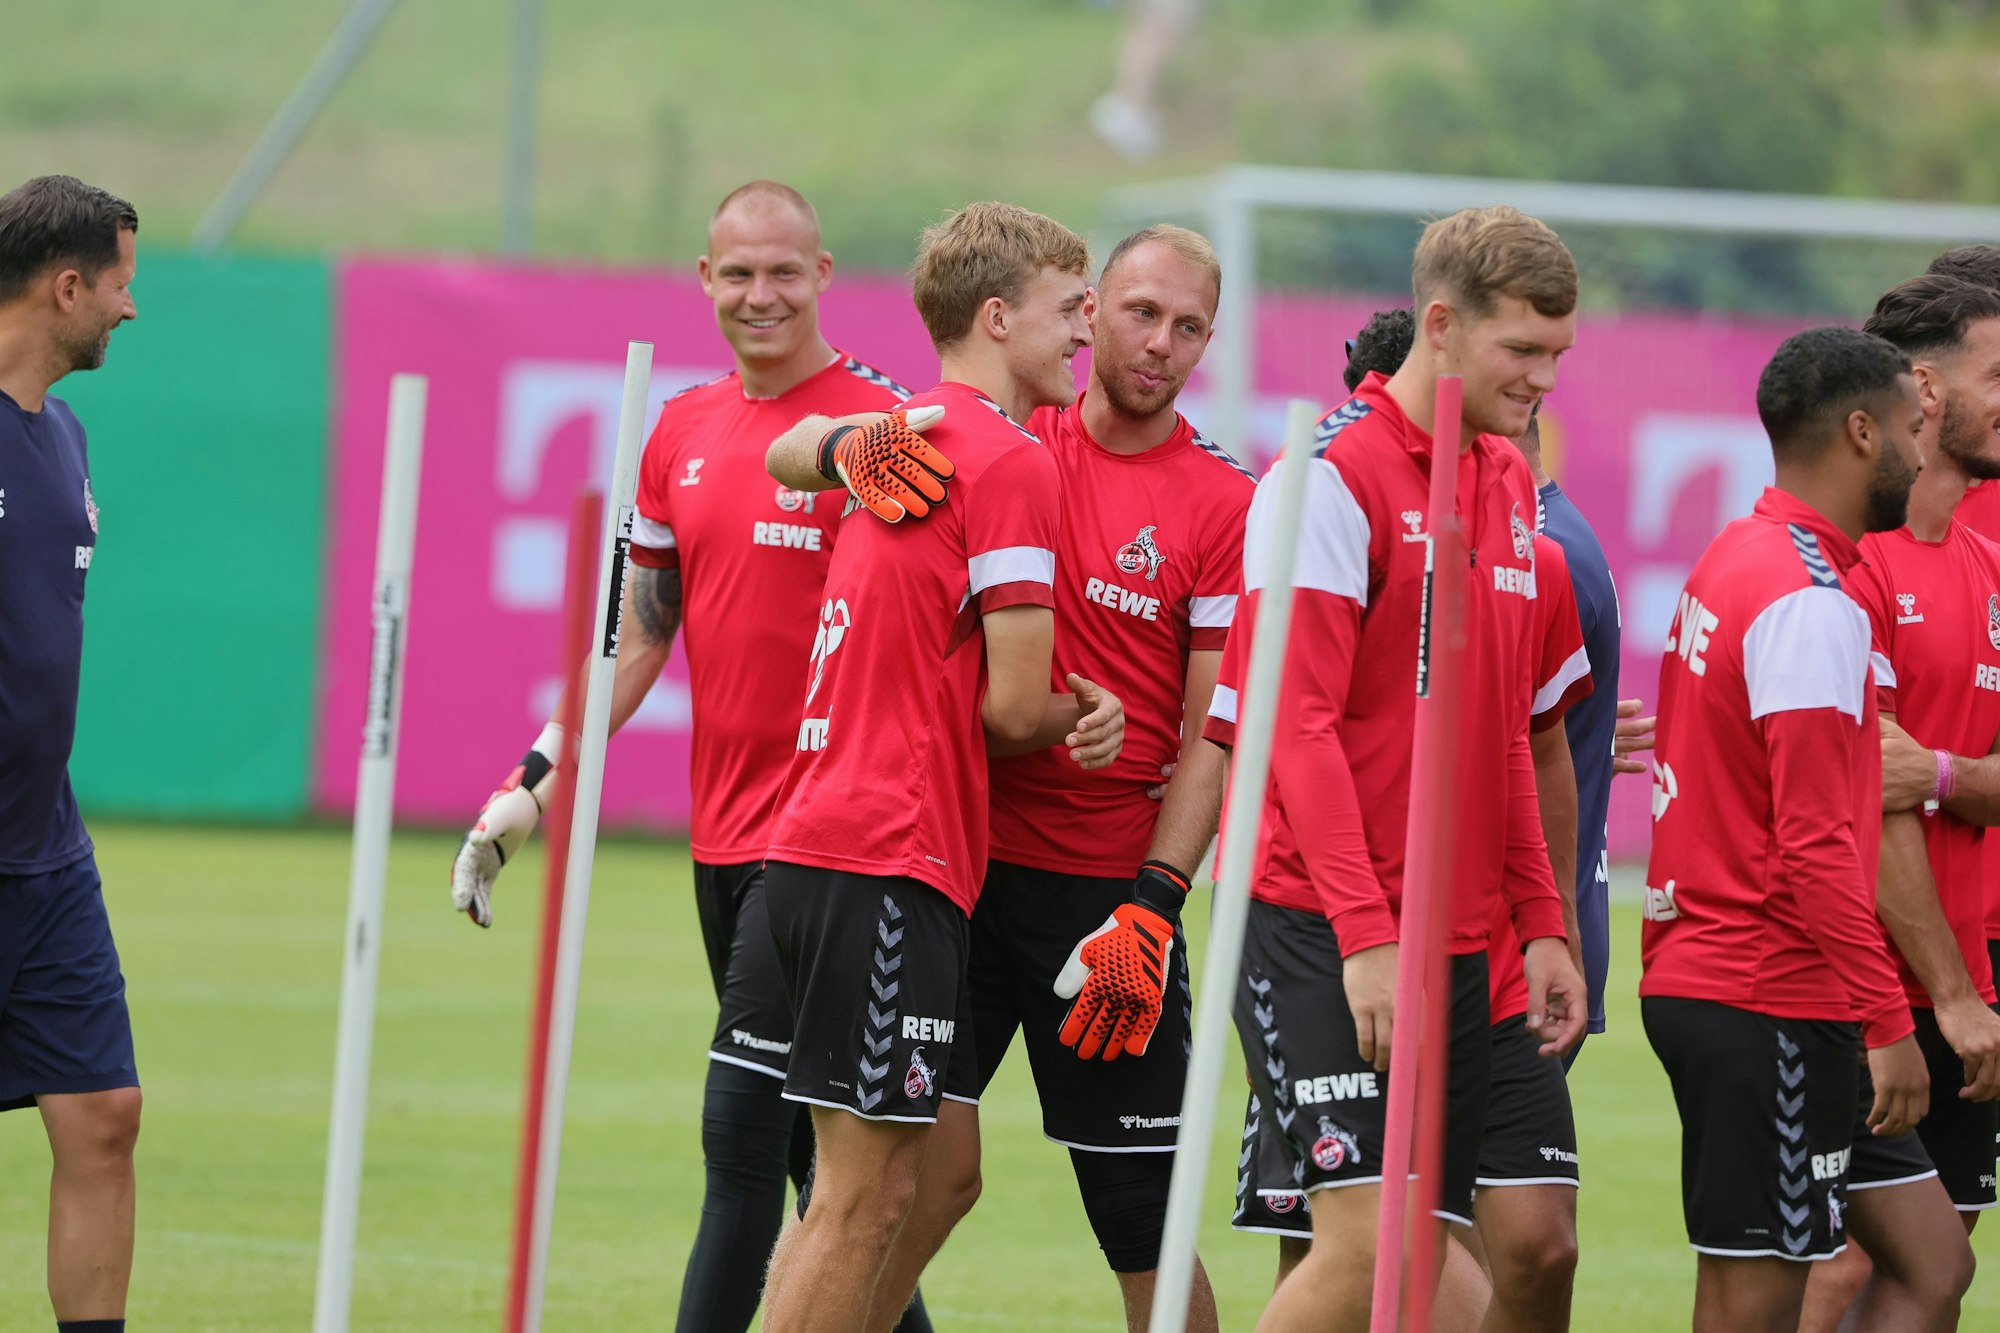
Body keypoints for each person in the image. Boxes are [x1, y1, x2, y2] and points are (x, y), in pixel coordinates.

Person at [445, 181, 937, 1333]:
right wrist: (533, 782)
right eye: (736, 274)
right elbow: (640, 633)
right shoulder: (678, 430)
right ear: (703, 281)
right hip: (722, 840)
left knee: (738, 1147)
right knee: (818, 1176)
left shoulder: (885, 430)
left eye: (781, 271)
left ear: (823, 274)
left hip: (830, 843)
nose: (758, 295)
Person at [811, 223, 1247, 1332]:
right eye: (1140, 312)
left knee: (1138, 1214)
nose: (1160, 343)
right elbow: (808, 437)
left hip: (1101, 903)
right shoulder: (1008, 429)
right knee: (911, 1188)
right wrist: (834, 449)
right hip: (954, 875)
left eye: (1188, 326)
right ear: (1089, 307)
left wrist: (1152, 906)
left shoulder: (1219, 501)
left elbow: (1213, 730)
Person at [1208, 206, 1589, 1333]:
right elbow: (1296, 728)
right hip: (1315, 923)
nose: (1542, 379)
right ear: (1439, 325)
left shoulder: (1509, 489)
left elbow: (1504, 740)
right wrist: (1365, 936)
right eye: (1522, 350)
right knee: (1367, 1243)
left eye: (1557, 355)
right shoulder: (1322, 479)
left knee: (1434, 1265)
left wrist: (1543, 920)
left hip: (1468, 937)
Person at [757, 201, 1126, 1333]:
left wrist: (827, 445)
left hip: (813, 845)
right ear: (997, 314)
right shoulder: (1008, 459)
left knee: (877, 1193)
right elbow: (1012, 706)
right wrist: (1090, 707)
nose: (1089, 332)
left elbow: (785, 444)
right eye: (1073, 309)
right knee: (862, 1206)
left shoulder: (899, 430)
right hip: (887, 854)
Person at [1641, 325, 1933, 1333]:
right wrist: (1886, 1022)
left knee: (1917, 1259)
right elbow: (1814, 844)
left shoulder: (1737, 553)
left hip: (1719, 971)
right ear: (1859, 432)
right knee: (1752, 1298)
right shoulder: (1811, 602)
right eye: (1909, 427)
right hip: (1760, 985)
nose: (1921, 451)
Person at [1798, 276, 2000, 1330]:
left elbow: (1928, 776)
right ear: (1923, 387)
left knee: (1938, 1266)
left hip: (1958, 977)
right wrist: (1946, 990)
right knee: (1834, 1269)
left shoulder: (1982, 563)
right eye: (1996, 374)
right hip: (1858, 981)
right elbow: (1862, 796)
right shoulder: (1848, 567)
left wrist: (1952, 776)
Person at [0, 173, 142, 1333]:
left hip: (47, 851)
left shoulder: (66, 433)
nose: (128, 309)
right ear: (66, 286)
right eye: (119, 283)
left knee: (104, 1114)